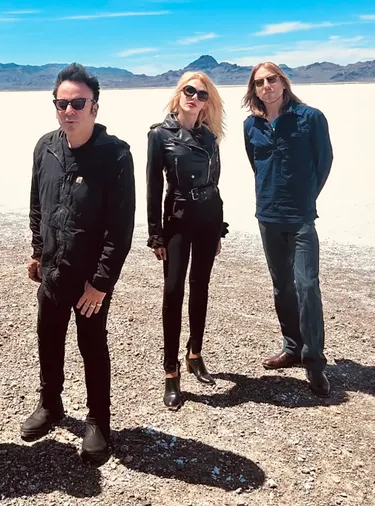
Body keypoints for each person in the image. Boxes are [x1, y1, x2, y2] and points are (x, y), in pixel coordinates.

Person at [23, 63, 135, 466]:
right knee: (48, 338)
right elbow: (37, 205)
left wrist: (101, 283)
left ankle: (98, 421)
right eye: (62, 103)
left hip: (90, 279)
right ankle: (50, 404)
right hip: (53, 270)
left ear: (94, 107)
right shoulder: (46, 147)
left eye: (78, 103)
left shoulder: (114, 155)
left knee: (92, 346)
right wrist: (38, 252)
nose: (69, 111)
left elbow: (120, 229)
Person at [241, 62, 334, 397]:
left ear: (283, 82)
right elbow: (256, 164)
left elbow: (323, 161)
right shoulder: (251, 125)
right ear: (254, 89)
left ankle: (314, 362)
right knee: (282, 286)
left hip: (300, 218)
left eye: (272, 79)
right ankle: (292, 347)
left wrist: (305, 197)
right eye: (259, 82)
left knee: (307, 285)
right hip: (268, 216)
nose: (266, 86)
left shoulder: (310, 118)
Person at [146, 71, 228, 410]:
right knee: (173, 291)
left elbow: (215, 181)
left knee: (201, 286)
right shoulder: (159, 135)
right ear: (179, 94)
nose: (195, 98)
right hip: (178, 219)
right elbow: (153, 186)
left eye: (202, 94)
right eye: (189, 91)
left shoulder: (210, 136)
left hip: (208, 218)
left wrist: (219, 226)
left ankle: (195, 354)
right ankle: (171, 370)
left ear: (207, 103)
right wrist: (155, 233)